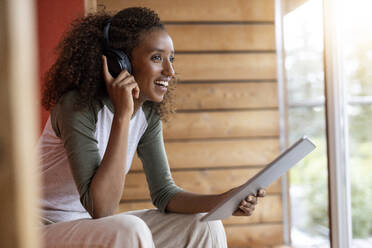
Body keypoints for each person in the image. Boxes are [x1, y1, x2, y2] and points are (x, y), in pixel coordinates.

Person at [38, 7, 266, 248]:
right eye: (157, 58)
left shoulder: (147, 113)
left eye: (171, 59)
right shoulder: (77, 106)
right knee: (128, 229)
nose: (170, 71)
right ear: (121, 63)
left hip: (86, 226)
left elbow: (164, 193)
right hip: (37, 229)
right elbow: (102, 208)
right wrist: (122, 116)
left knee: (205, 225)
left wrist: (225, 200)